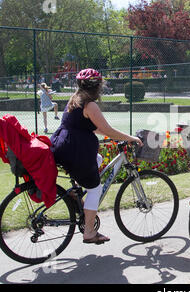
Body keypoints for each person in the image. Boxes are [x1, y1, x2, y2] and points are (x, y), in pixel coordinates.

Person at [51, 68, 143, 244]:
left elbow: (95, 128)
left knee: (98, 160)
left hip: (63, 146)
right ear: (97, 86)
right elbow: (107, 130)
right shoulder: (89, 104)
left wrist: (118, 136)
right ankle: (89, 232)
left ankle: (76, 195)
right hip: (76, 150)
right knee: (95, 189)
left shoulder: (75, 99)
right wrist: (131, 138)